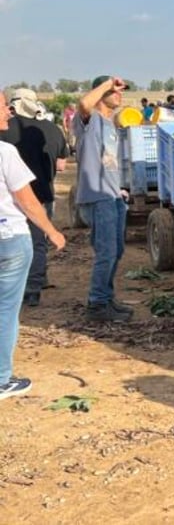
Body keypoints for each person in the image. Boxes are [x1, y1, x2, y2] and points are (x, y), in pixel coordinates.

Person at [0, 90, 66, 400]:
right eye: (3, 107)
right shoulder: (5, 153)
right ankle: (2, 379)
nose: (8, 113)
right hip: (10, 238)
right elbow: (26, 201)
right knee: (6, 311)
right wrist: (51, 231)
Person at [1, 88, 69, 307]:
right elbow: (61, 164)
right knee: (38, 242)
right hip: (43, 193)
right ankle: (35, 286)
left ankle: (18, 287)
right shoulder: (53, 129)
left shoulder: (5, 131)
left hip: (11, 198)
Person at [74, 75, 134, 322]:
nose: (119, 94)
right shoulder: (90, 121)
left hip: (112, 195)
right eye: (114, 91)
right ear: (100, 93)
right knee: (106, 251)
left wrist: (118, 188)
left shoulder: (112, 126)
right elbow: (84, 105)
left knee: (116, 250)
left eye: (120, 90)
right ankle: (97, 305)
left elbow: (107, 163)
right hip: (97, 197)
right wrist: (107, 83)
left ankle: (106, 298)